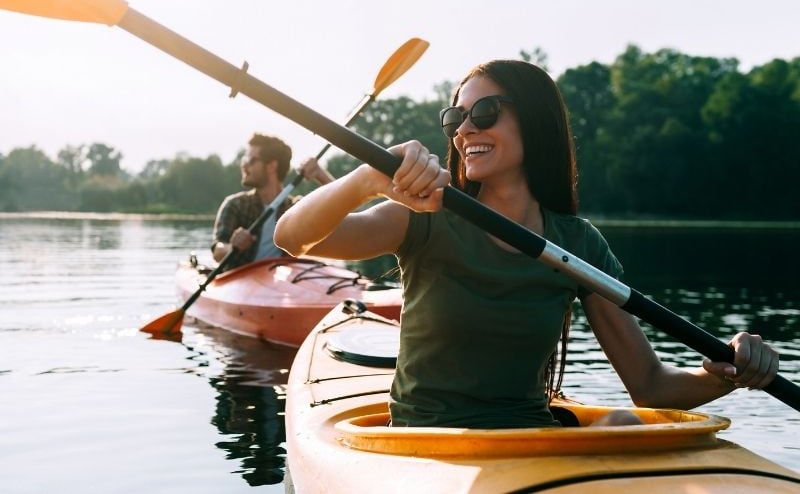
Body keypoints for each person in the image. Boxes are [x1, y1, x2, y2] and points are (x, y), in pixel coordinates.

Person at [273, 60, 779, 429]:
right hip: (424, 445)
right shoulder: (424, 216)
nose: (466, 128)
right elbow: (292, 237)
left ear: (534, 121)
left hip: (529, 441)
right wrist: (366, 179)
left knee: (623, 422)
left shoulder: (578, 245)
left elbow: (649, 385)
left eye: (486, 112)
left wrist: (728, 372)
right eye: (456, 119)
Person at [212, 133, 333, 272]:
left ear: (271, 166)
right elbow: (217, 252)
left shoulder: (296, 208)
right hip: (239, 282)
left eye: (251, 160)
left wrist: (320, 174)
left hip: (280, 285)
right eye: (244, 159)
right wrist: (232, 247)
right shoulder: (235, 205)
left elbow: (342, 209)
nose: (244, 166)